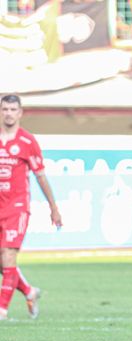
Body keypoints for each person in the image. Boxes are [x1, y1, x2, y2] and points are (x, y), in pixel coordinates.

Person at [0, 94, 62, 320]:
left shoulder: (27, 142)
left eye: (12, 109)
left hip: (17, 207)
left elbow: (41, 176)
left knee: (8, 257)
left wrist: (53, 207)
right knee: (3, 263)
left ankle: (2, 311)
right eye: (4, 109)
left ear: (20, 112)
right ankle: (29, 291)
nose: (8, 113)